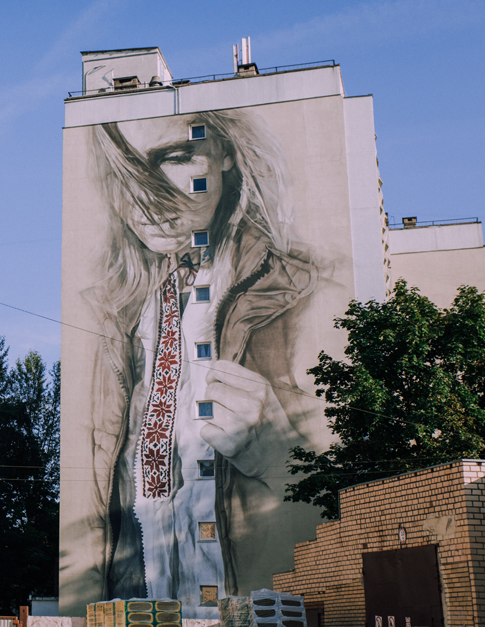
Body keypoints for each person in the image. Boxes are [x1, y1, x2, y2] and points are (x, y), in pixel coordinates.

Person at [79, 109, 325, 615]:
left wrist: (276, 453)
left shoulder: (305, 290)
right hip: (139, 595)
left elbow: (359, 506)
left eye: (172, 157)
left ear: (227, 153)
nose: (144, 196)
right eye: (125, 170)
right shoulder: (113, 309)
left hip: (247, 602)